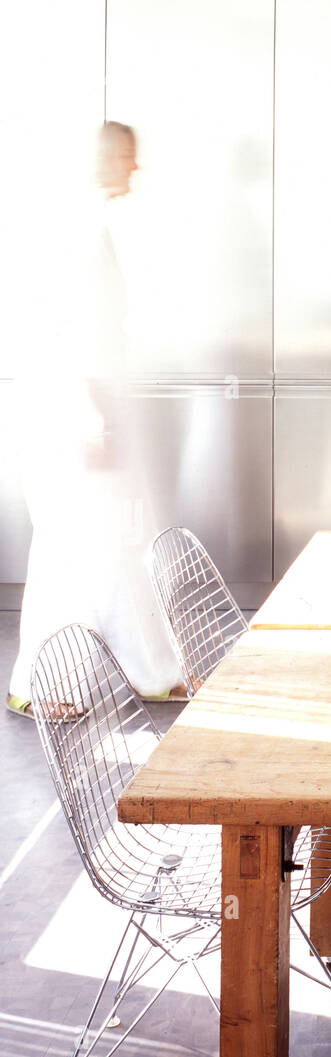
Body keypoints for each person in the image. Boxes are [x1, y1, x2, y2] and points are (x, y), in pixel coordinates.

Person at [7, 122, 185, 717]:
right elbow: (70, 332)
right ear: (103, 159)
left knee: (115, 541)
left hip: (92, 408)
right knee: (77, 543)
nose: (133, 170)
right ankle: (47, 684)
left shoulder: (92, 223)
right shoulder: (77, 228)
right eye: (126, 159)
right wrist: (95, 415)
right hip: (77, 412)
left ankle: (150, 671)